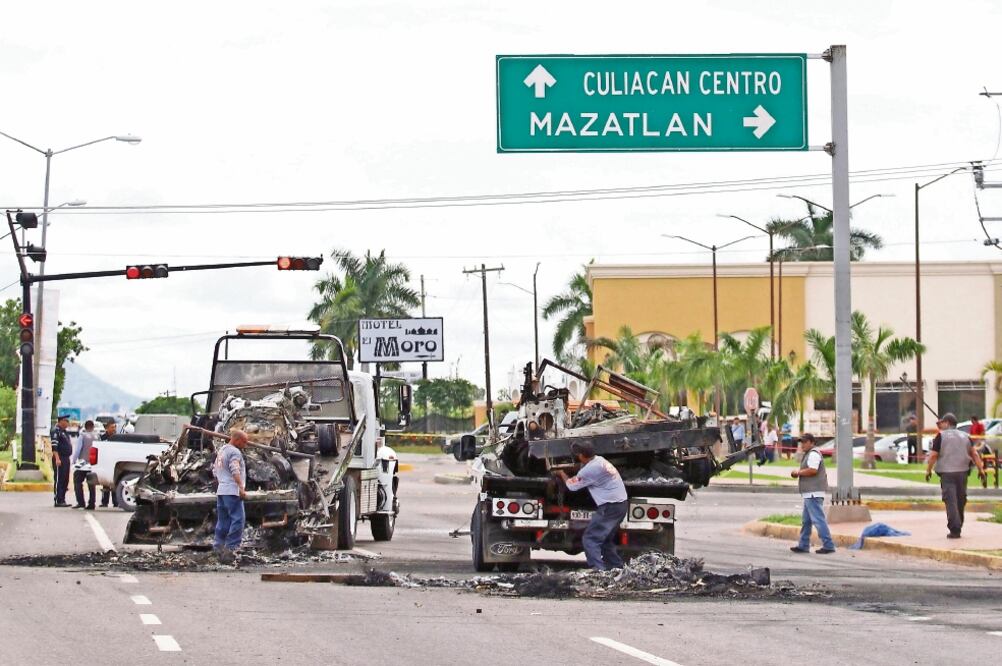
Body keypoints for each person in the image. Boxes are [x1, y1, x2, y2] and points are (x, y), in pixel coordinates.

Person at [554, 441, 629, 571]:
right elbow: (585, 470)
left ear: (582, 456)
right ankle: (617, 568)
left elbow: (571, 486)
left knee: (590, 538)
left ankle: (598, 570)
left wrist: (561, 472)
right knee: (605, 540)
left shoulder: (590, 470)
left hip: (609, 507)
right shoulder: (600, 460)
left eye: (577, 454)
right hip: (621, 505)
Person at [925, 413, 986, 539]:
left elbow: (933, 456)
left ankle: (955, 529)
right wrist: (981, 470)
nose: (940, 425)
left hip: (947, 474)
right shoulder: (965, 436)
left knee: (950, 500)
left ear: (947, 423)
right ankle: (958, 524)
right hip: (962, 473)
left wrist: (928, 470)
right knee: (960, 500)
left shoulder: (940, 436)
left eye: (942, 422)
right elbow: (974, 454)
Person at [789, 433, 836, 554]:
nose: (802, 445)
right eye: (801, 442)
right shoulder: (809, 454)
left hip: (813, 493)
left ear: (811, 442)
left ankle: (828, 545)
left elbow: (813, 470)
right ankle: (803, 545)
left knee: (818, 520)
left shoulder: (814, 454)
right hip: (810, 493)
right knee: (806, 521)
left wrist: (798, 473)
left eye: (804, 442)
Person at [213, 429, 249, 563]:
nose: (246, 444)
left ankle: (217, 548)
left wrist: (221, 482)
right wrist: (240, 487)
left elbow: (214, 470)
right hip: (232, 491)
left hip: (221, 491)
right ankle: (231, 549)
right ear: (237, 440)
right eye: (244, 441)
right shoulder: (235, 452)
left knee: (223, 521)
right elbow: (235, 469)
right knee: (238, 519)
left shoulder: (221, 451)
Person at [71, 420, 98, 510]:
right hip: (93, 464)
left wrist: (74, 461)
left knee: (78, 482)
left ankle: (81, 502)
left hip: (83, 464)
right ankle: (91, 503)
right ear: (93, 427)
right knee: (91, 484)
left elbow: (78, 450)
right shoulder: (97, 436)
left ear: (85, 427)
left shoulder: (82, 436)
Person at [50, 415, 73, 507]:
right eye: (66, 421)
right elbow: (54, 446)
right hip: (59, 457)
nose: (67, 422)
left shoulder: (64, 432)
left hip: (66, 458)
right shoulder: (56, 431)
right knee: (59, 479)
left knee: (65, 479)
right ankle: (58, 499)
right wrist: (57, 458)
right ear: (61, 421)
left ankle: (62, 499)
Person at [98, 421, 120, 508]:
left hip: (115, 463)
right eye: (112, 427)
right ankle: (104, 502)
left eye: (114, 427)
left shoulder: (118, 437)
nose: (114, 429)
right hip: (106, 462)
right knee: (106, 483)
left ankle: (116, 502)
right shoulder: (102, 438)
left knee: (115, 482)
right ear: (106, 428)